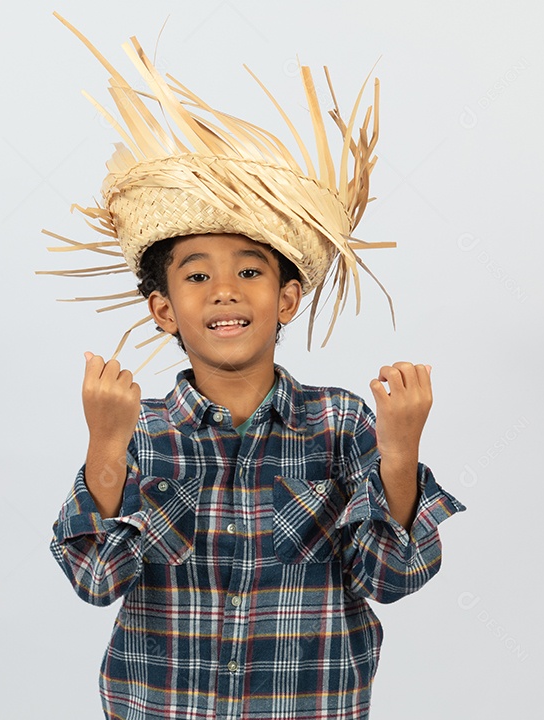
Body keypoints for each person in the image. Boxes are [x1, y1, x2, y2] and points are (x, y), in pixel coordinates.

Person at [41, 13, 467, 719]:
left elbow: (391, 576)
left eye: (249, 270)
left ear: (288, 298)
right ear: (163, 309)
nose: (226, 291)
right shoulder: (140, 431)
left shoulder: (340, 423)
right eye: (197, 277)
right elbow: (94, 580)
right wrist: (104, 449)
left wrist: (400, 453)